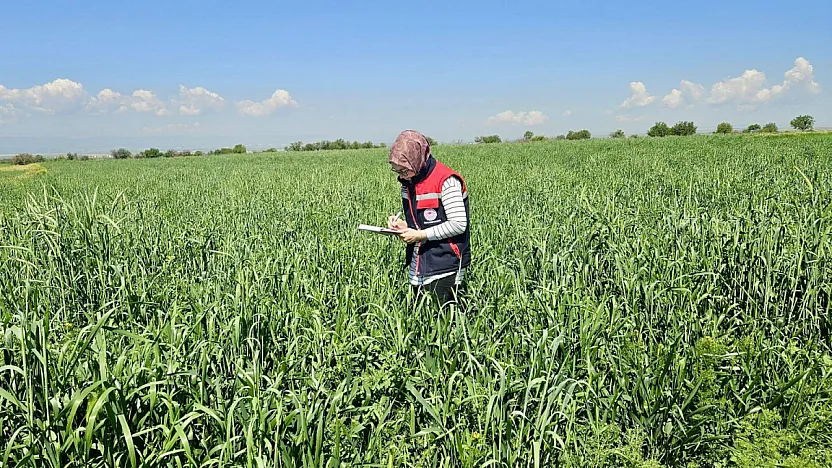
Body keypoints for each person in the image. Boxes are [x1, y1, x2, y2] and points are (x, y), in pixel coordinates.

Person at [386, 130, 471, 307]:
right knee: (421, 317)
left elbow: (458, 224)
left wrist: (420, 235)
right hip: (420, 260)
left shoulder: (446, 181)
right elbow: (419, 221)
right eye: (396, 170)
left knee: (442, 318)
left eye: (404, 170)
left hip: (446, 261)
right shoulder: (409, 182)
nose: (401, 175)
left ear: (417, 160)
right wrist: (403, 225)